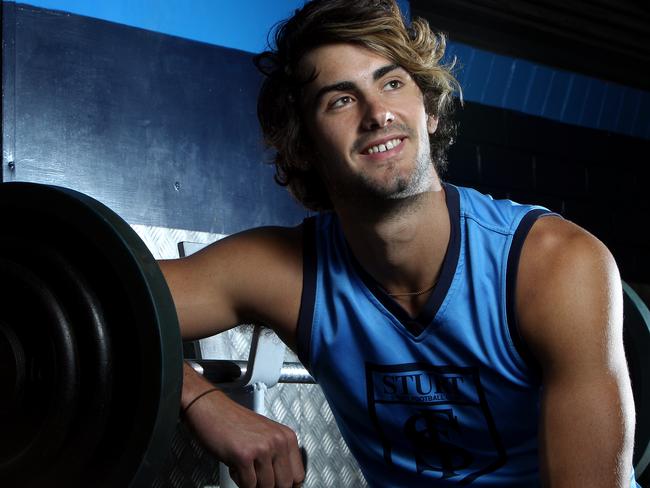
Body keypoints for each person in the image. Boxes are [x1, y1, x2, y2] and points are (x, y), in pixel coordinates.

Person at [159, 0, 638, 486]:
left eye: (391, 83)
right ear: (304, 145)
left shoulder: (554, 265)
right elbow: (105, 298)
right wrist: (198, 397)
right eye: (340, 100)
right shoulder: (287, 273)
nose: (377, 113)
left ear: (428, 110)